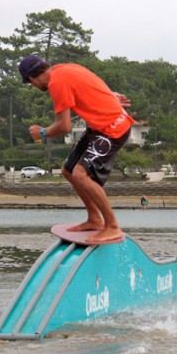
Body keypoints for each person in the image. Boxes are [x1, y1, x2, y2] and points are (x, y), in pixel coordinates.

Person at [20, 55, 136, 243]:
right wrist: (109, 96)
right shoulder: (61, 68)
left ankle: (113, 226)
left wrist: (42, 132)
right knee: (68, 170)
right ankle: (94, 219)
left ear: (31, 79)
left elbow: (64, 126)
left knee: (81, 174)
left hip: (114, 127)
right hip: (99, 126)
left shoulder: (55, 84)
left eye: (30, 83)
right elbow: (91, 80)